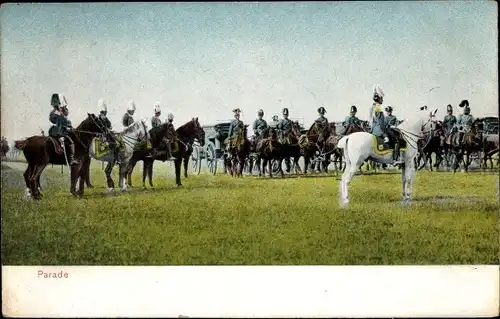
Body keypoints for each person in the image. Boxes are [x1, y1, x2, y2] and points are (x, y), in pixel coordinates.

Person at [48, 94, 78, 165]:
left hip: (55, 130)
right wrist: (67, 127)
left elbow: (65, 119)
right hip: (59, 132)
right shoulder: (57, 112)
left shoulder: (56, 112)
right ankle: (71, 158)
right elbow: (61, 121)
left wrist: (69, 126)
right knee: (71, 142)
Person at [98, 99, 121, 164]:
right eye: (105, 111)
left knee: (117, 141)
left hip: (106, 133)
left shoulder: (101, 117)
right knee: (117, 144)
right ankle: (116, 159)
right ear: (103, 111)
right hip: (104, 135)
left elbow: (109, 125)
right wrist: (108, 129)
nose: (106, 112)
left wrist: (110, 129)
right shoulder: (102, 117)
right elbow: (105, 126)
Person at [277, 108, 293, 172]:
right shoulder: (281, 121)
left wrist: (288, 131)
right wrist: (283, 132)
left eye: (286, 114)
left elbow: (291, 128)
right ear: (283, 115)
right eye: (284, 114)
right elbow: (279, 128)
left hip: (288, 136)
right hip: (282, 136)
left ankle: (288, 166)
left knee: (288, 152)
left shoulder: (289, 121)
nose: (285, 115)